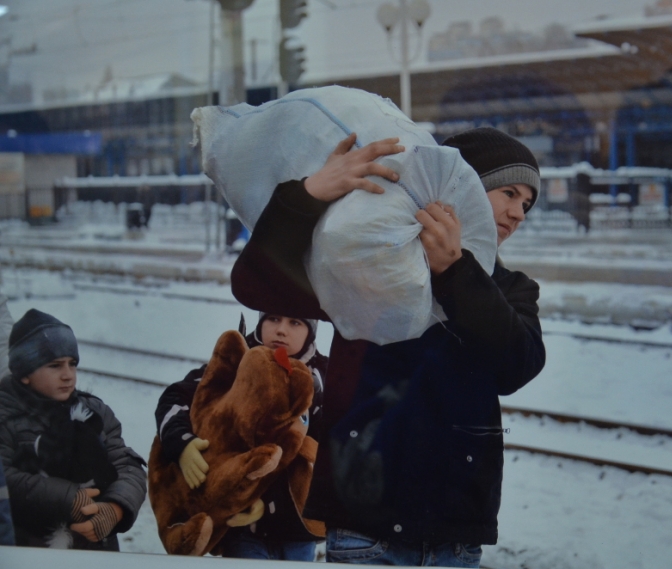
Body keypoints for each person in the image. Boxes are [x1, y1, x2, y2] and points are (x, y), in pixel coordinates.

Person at [230, 127, 546, 567]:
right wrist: (307, 196)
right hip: (364, 530)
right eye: (508, 193)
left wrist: (456, 273)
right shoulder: (363, 268)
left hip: (455, 538)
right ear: (457, 182)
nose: (518, 214)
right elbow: (255, 284)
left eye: (526, 204)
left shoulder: (509, 288)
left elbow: (519, 365)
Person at [154, 312, 327, 561]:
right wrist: (182, 444)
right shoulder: (237, 362)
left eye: (295, 322)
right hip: (244, 528)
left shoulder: (323, 377)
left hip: (297, 528)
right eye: (273, 319)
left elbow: (334, 445)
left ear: (311, 332)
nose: (281, 330)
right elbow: (175, 398)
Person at [0, 309, 147, 550]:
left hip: (97, 550)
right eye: (55, 366)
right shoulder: (5, 417)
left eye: (72, 364)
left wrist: (115, 509)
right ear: (24, 373)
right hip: (30, 552)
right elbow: (5, 478)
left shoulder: (93, 412)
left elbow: (127, 465)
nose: (68, 375)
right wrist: (67, 497)